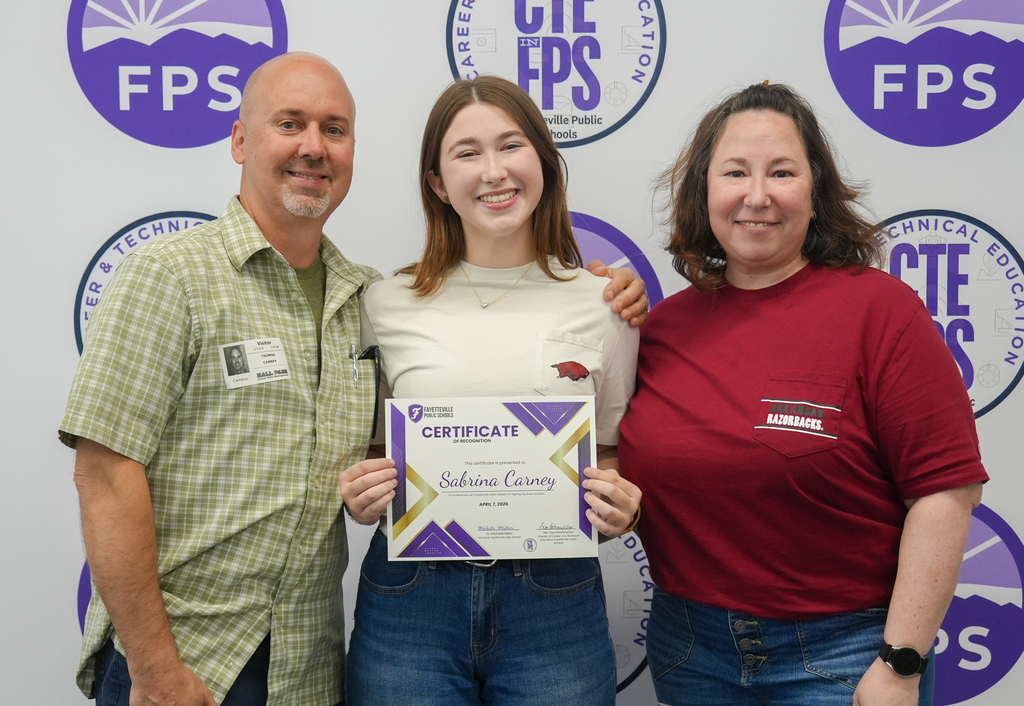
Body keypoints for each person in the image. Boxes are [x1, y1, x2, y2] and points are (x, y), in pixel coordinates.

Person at [60, 53, 648, 706]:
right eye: (290, 123)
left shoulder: (358, 295)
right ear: (239, 139)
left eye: (334, 129)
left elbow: (374, 457)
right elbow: (105, 473)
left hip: (307, 659)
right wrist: (152, 667)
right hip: (199, 651)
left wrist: (367, 492)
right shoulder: (181, 276)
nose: (313, 146)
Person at [617, 82, 988, 706]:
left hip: (847, 653)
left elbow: (946, 492)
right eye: (734, 172)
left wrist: (900, 662)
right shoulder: (661, 329)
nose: (756, 196)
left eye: (781, 172)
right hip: (689, 649)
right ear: (703, 192)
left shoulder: (881, 312)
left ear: (815, 192)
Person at [339, 75, 642, 706]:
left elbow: (608, 451)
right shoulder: (383, 302)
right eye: (466, 153)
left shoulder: (606, 302)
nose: (493, 170)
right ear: (437, 183)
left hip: (554, 602)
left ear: (544, 163)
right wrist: (361, 492)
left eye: (511, 145)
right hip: (411, 601)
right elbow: (370, 450)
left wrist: (619, 506)